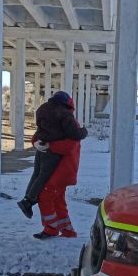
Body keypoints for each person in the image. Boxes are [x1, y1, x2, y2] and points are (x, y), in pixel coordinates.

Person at [16, 91, 87, 226]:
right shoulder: (64, 113)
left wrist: (38, 141)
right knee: (44, 176)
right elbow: (74, 134)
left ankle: (27, 198)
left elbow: (40, 128)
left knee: (36, 174)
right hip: (52, 151)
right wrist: (84, 131)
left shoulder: (43, 109)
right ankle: (28, 201)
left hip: (41, 146)